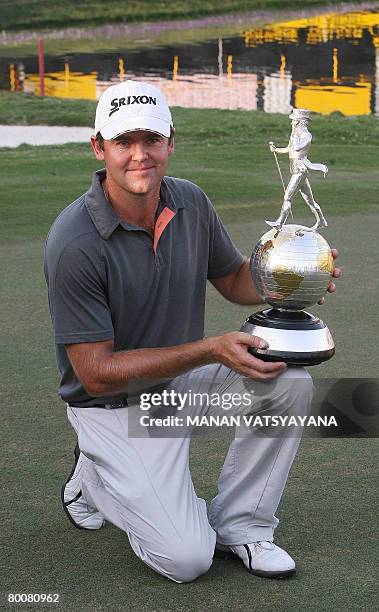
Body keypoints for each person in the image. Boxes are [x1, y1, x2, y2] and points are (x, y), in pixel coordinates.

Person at [44, 81, 340, 583]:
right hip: (110, 408)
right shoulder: (74, 243)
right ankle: (95, 478)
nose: (140, 155)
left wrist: (293, 275)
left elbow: (233, 280)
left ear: (170, 142)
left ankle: (243, 525)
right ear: (100, 147)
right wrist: (210, 349)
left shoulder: (190, 203)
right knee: (186, 560)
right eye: (124, 142)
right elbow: (95, 375)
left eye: (151, 140)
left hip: (174, 395)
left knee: (288, 383)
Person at [266, 108, 328, 230]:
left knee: (287, 197)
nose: (292, 124)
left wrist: (294, 136)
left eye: (294, 121)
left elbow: (298, 148)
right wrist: (276, 149)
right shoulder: (295, 135)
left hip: (300, 170)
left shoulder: (306, 135)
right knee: (310, 201)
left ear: (300, 122)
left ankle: (279, 222)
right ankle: (321, 220)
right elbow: (289, 149)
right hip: (295, 169)